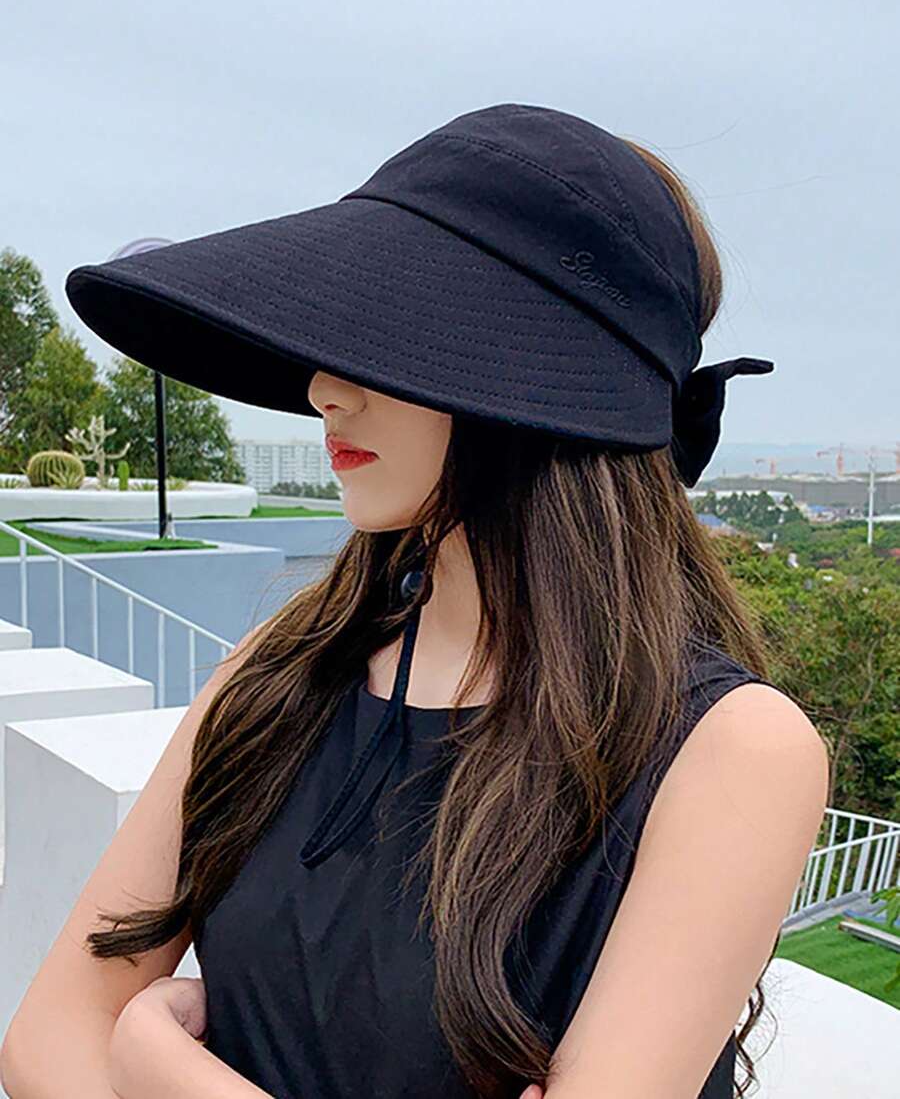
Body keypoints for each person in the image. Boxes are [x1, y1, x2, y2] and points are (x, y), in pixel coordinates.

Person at [1, 104, 828, 1099]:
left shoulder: (728, 752)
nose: (324, 389)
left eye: (390, 342)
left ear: (542, 380)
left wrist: (159, 1065)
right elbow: (46, 1042)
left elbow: (99, 1044)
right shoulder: (279, 676)